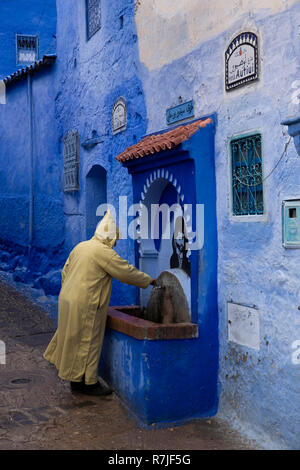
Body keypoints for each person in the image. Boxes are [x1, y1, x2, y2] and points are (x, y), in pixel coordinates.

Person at [43, 210, 156, 396]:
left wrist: (70, 292)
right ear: (110, 236)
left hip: (67, 299)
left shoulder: (80, 246)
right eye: (115, 239)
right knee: (88, 341)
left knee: (73, 339)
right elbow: (126, 272)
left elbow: (65, 271)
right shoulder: (104, 252)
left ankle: (75, 380)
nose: (116, 243)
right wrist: (149, 281)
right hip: (86, 302)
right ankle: (89, 383)